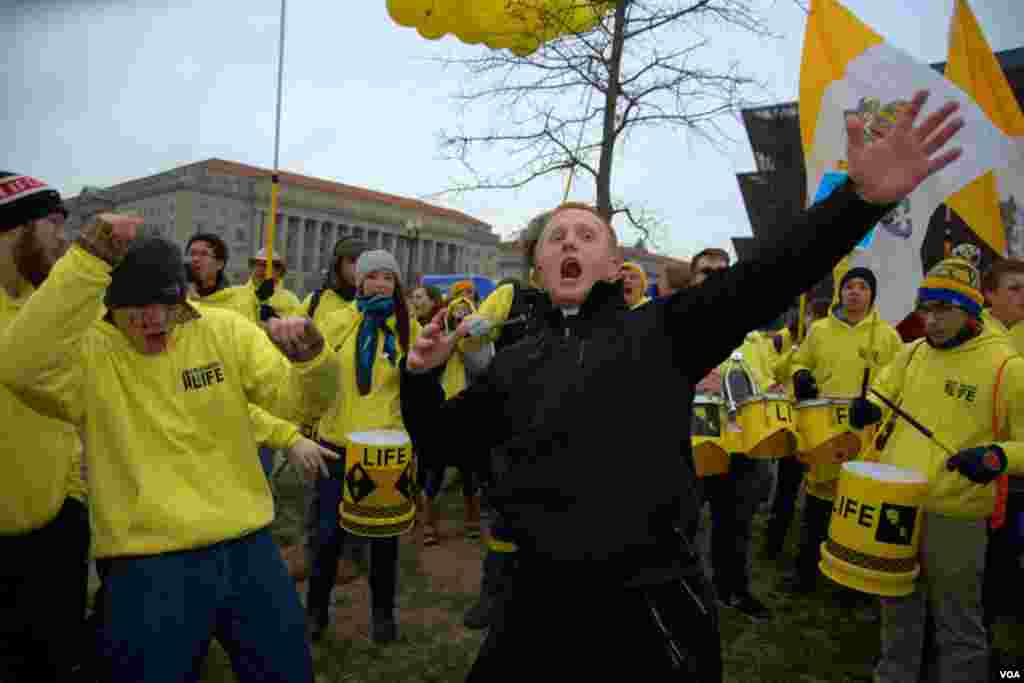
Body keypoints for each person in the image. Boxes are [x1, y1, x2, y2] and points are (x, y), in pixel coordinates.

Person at [399, 89, 965, 681]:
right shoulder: (514, 365)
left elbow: (767, 275)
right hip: (536, 597)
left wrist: (857, 202)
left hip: (648, 604)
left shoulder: (664, 331)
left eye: (587, 235)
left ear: (616, 268)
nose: (570, 240)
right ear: (538, 266)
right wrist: (419, 378)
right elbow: (440, 442)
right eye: (557, 236)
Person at [0, 211, 340, 683]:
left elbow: (297, 401)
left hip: (249, 550)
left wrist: (312, 362)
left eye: (166, 303)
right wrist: (86, 262)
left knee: (287, 673)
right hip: (146, 563)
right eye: (136, 308)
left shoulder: (222, 330)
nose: (155, 319)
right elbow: (18, 367)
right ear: (107, 307)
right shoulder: (88, 353)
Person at [850, 255, 1024, 683]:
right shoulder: (910, 355)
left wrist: (996, 458)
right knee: (898, 613)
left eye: (944, 310)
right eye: (927, 309)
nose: (933, 321)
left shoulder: (1006, 366)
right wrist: (866, 409)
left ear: (970, 311)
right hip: (898, 507)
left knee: (958, 623)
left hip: (957, 514)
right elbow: (882, 392)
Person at [0, 172, 91, 683]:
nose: (64, 238)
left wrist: (73, 500)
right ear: (14, 228)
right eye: (53, 223)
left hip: (57, 529)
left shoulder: (53, 308)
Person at [305, 249, 422, 645]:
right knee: (326, 537)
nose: (380, 284)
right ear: (360, 281)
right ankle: (316, 612)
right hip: (337, 444)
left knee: (383, 542)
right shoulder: (337, 320)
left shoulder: (409, 327)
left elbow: (422, 376)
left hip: (384, 447)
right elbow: (314, 368)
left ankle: (383, 616)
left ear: (397, 284)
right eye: (373, 277)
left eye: (388, 278)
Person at [783, 267, 903, 596]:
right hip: (823, 428)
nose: (855, 292)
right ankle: (806, 572)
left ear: (872, 295)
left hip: (863, 433)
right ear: (840, 292)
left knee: (854, 506)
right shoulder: (819, 330)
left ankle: (849, 580)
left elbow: (900, 382)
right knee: (818, 503)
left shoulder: (887, 336)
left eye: (863, 287)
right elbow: (798, 362)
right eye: (849, 286)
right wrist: (801, 375)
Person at [691, 247, 777, 622]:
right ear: (693, 279)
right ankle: (687, 595)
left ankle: (733, 590)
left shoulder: (753, 334)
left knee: (736, 524)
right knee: (685, 524)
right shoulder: (676, 323)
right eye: (705, 271)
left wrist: (769, 388)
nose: (714, 276)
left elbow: (767, 378)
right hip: (694, 440)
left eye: (721, 270)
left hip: (742, 441)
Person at [458, 270, 547, 630]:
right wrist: (472, 333)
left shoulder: (592, 297)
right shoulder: (512, 294)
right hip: (514, 424)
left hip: (569, 421)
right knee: (505, 516)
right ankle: (493, 596)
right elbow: (473, 345)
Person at [980, 256, 1024, 637]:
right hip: (978, 467)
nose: (1023, 296)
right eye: (1014, 288)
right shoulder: (974, 334)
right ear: (989, 294)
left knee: (1005, 552)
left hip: (1017, 465)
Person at [185, 232, 259, 320]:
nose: (195, 259)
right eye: (192, 254)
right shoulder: (176, 299)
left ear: (220, 264)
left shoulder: (239, 301)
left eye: (204, 254)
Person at [247, 248, 302, 320]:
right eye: (258, 264)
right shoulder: (239, 295)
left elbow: (297, 326)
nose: (260, 269)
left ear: (278, 271)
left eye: (266, 265)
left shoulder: (290, 300)